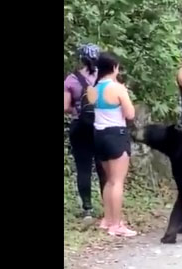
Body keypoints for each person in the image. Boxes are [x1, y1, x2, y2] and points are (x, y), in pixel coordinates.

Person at [88, 52, 137, 237]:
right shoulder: (117, 88)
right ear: (114, 67)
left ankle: (107, 219)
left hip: (99, 135)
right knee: (118, 181)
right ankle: (116, 225)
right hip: (116, 134)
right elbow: (130, 113)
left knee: (109, 180)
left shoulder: (93, 88)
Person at [64, 44, 105, 221]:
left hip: (80, 127)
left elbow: (65, 107)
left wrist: (77, 110)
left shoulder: (71, 80)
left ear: (80, 58)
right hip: (101, 126)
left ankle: (87, 209)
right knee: (103, 167)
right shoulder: (104, 77)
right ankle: (109, 206)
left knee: (83, 168)